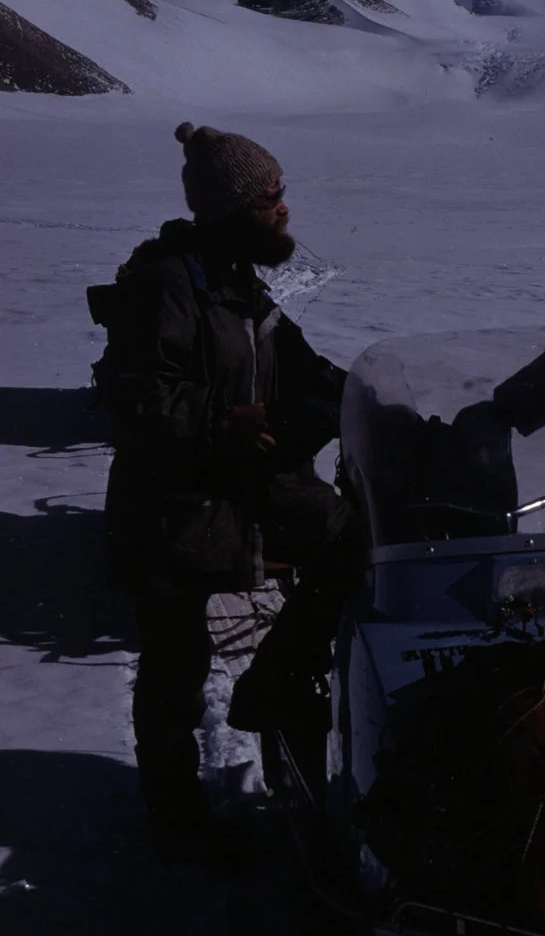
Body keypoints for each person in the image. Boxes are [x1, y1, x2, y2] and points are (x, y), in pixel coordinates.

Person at [93, 122, 357, 861]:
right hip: (173, 500)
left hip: (236, 481)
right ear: (233, 205)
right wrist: (221, 422)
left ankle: (273, 679)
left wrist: (375, 397)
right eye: (270, 196)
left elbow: (300, 363)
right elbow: (137, 398)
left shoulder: (237, 281)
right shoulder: (165, 283)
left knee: (351, 541)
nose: (282, 208)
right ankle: (174, 818)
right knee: (175, 661)